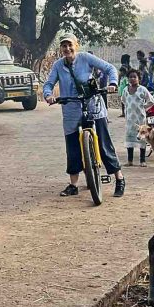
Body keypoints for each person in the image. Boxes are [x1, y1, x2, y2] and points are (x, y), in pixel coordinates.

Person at [43, 34, 125, 197]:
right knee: (72, 146)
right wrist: (48, 95)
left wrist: (113, 83)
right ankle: (73, 185)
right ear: (61, 49)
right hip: (70, 107)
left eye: (70, 45)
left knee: (103, 142)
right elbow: (49, 83)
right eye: (64, 46)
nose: (67, 49)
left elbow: (110, 68)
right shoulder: (59, 65)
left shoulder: (86, 58)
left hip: (93, 104)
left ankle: (119, 178)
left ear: (76, 46)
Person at [120, 68, 154, 166]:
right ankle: (130, 161)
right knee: (129, 139)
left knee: (142, 139)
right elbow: (123, 100)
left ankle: (142, 160)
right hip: (130, 120)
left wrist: (144, 108)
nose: (132, 79)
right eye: (130, 77)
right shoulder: (126, 90)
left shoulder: (142, 89)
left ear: (139, 78)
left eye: (134, 77)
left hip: (140, 119)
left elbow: (151, 101)